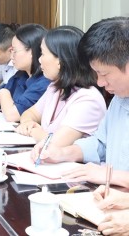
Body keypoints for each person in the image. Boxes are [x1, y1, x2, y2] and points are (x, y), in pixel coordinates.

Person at [35, 17, 129, 188]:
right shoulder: (119, 99)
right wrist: (62, 152)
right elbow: (101, 144)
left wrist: (113, 176)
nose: (100, 82)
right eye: (96, 73)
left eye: (104, 74)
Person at [15, 26, 106, 146]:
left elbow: (56, 143)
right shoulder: (55, 87)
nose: (39, 60)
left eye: (42, 54)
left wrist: (33, 132)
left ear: (60, 61)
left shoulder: (88, 99)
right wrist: (27, 123)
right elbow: (30, 113)